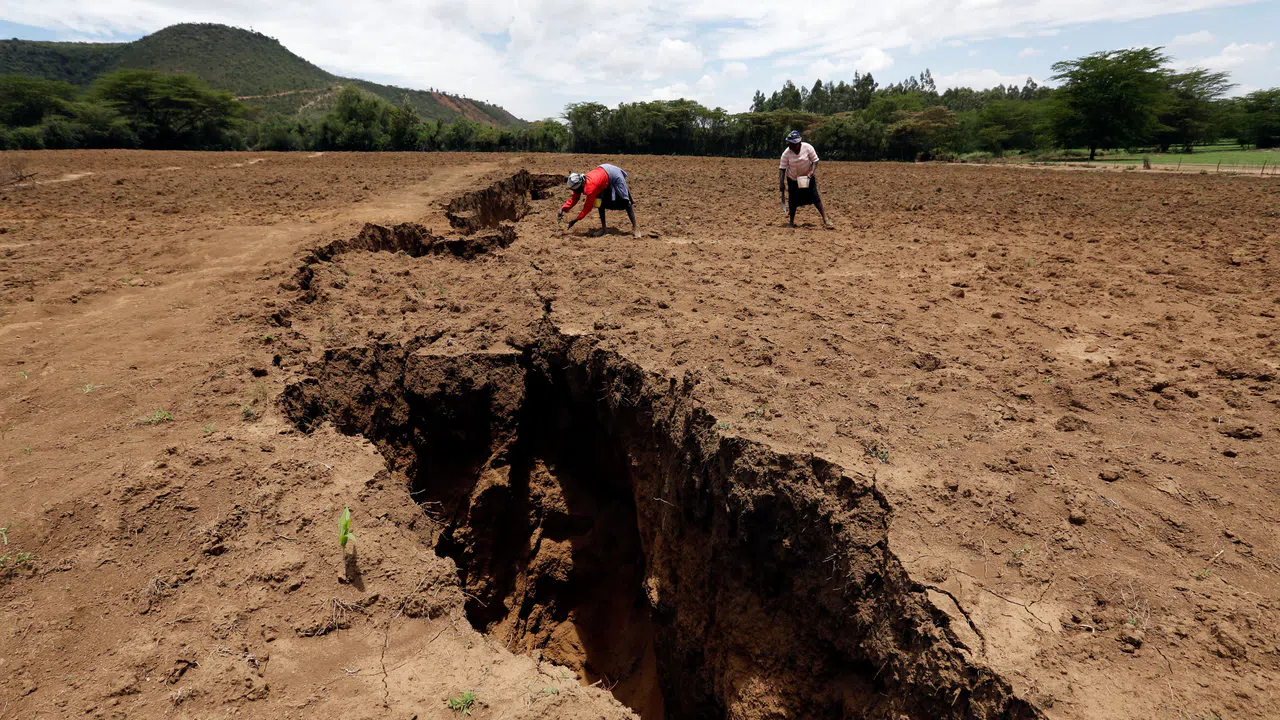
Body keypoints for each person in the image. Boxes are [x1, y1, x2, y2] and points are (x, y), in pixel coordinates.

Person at [558, 163, 640, 238]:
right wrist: (563, 209)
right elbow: (574, 198)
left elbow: (587, 208)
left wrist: (575, 220)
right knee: (599, 202)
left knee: (626, 201)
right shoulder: (581, 183)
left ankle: (636, 228)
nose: (573, 191)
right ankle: (604, 229)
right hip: (602, 174)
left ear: (578, 186)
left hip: (614, 173)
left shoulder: (590, 189)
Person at [778, 130, 832, 228]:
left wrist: (812, 171)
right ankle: (791, 222)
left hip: (807, 177)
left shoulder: (808, 147)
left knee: (815, 197)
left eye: (792, 144)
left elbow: (815, 161)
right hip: (793, 179)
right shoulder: (786, 153)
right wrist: (781, 183)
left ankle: (825, 219)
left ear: (798, 143)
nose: (790, 146)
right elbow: (782, 169)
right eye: (789, 144)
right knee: (792, 200)